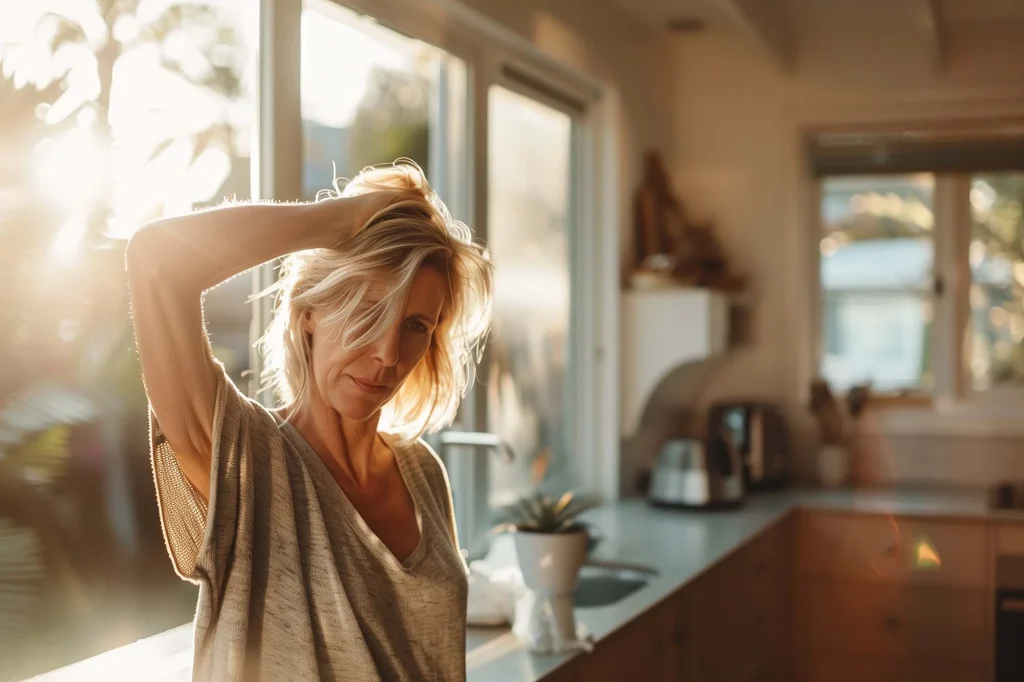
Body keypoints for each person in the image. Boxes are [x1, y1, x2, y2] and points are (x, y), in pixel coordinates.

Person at [126, 161, 493, 681]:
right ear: (309, 313)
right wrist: (345, 220)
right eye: (368, 309)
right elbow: (156, 261)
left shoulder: (423, 473)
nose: (388, 354)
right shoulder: (246, 461)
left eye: (414, 325)